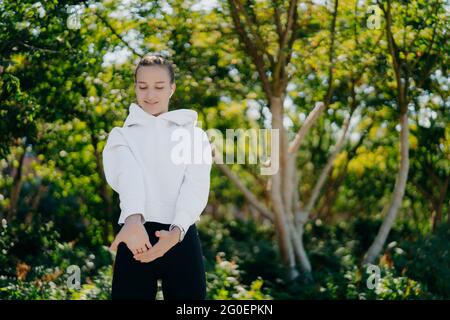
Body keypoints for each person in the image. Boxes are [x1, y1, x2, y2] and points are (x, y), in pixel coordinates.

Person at [102, 54, 212, 300]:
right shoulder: (121, 135)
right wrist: (132, 220)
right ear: (135, 88)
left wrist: (177, 231)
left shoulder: (194, 135)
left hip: (180, 235)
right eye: (143, 87)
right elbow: (128, 176)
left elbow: (195, 186)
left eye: (159, 87)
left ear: (172, 89)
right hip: (135, 236)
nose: (150, 94)